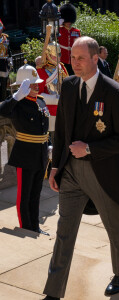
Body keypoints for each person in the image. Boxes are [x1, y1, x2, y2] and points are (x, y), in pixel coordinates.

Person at [42, 36, 119, 300]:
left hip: (103, 173)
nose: (75, 63)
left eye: (81, 58)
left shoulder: (115, 92)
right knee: (64, 232)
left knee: (114, 226)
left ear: (96, 59)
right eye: (73, 57)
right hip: (71, 172)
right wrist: (55, 167)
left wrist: (91, 149)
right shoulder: (69, 86)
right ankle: (53, 291)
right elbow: (61, 131)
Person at [0, 63, 50, 235]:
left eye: (37, 84)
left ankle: (34, 226)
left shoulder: (41, 102)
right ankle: (25, 227)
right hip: (25, 154)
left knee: (36, 193)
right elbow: (2, 110)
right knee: (25, 194)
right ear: (24, 86)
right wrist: (15, 97)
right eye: (32, 84)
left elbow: (43, 128)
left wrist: (47, 146)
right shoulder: (18, 105)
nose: (37, 86)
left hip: (41, 153)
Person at [37, 25, 68, 132]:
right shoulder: (41, 71)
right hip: (49, 110)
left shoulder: (61, 66)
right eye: (55, 56)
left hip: (64, 109)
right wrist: (55, 99)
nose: (58, 58)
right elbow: (38, 94)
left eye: (58, 55)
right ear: (48, 55)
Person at [58, 2, 81, 76]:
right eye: (66, 20)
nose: (69, 23)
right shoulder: (59, 30)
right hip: (62, 59)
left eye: (69, 21)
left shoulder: (76, 31)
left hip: (73, 60)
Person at [0, 19, 12, 102]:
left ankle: (3, 101)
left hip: (4, 63)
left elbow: (9, 51)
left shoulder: (5, 38)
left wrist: (11, 61)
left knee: (4, 85)